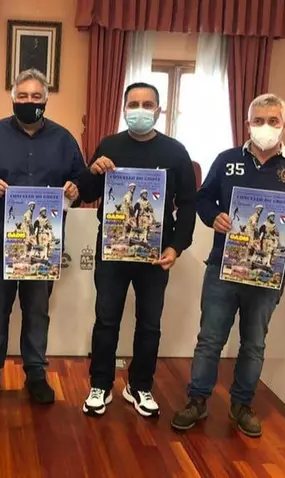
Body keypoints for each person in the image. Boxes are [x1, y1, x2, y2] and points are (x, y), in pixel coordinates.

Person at [170, 93, 285, 437]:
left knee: (254, 343)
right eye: (258, 121)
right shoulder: (227, 160)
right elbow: (203, 197)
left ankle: (241, 405)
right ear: (248, 124)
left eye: (273, 121)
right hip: (223, 267)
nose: (265, 127)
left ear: (284, 125)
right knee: (210, 339)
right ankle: (197, 400)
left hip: (268, 271)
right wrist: (214, 216)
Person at [78, 82, 197, 417]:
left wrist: (176, 246)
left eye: (147, 104)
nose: (140, 110)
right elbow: (87, 194)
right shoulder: (110, 145)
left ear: (158, 110)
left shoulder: (175, 152)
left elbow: (188, 203)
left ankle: (140, 386)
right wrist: (93, 170)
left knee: (149, 323)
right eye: (133, 104)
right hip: (113, 249)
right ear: (124, 109)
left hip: (154, 253)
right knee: (106, 319)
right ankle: (100, 384)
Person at [0, 68, 86, 404]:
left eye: (36, 96)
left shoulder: (64, 139)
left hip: (42, 247)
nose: (29, 101)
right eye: (22, 96)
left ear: (45, 100)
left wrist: (76, 188)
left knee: (37, 312)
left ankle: (35, 374)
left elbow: (82, 181)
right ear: (13, 98)